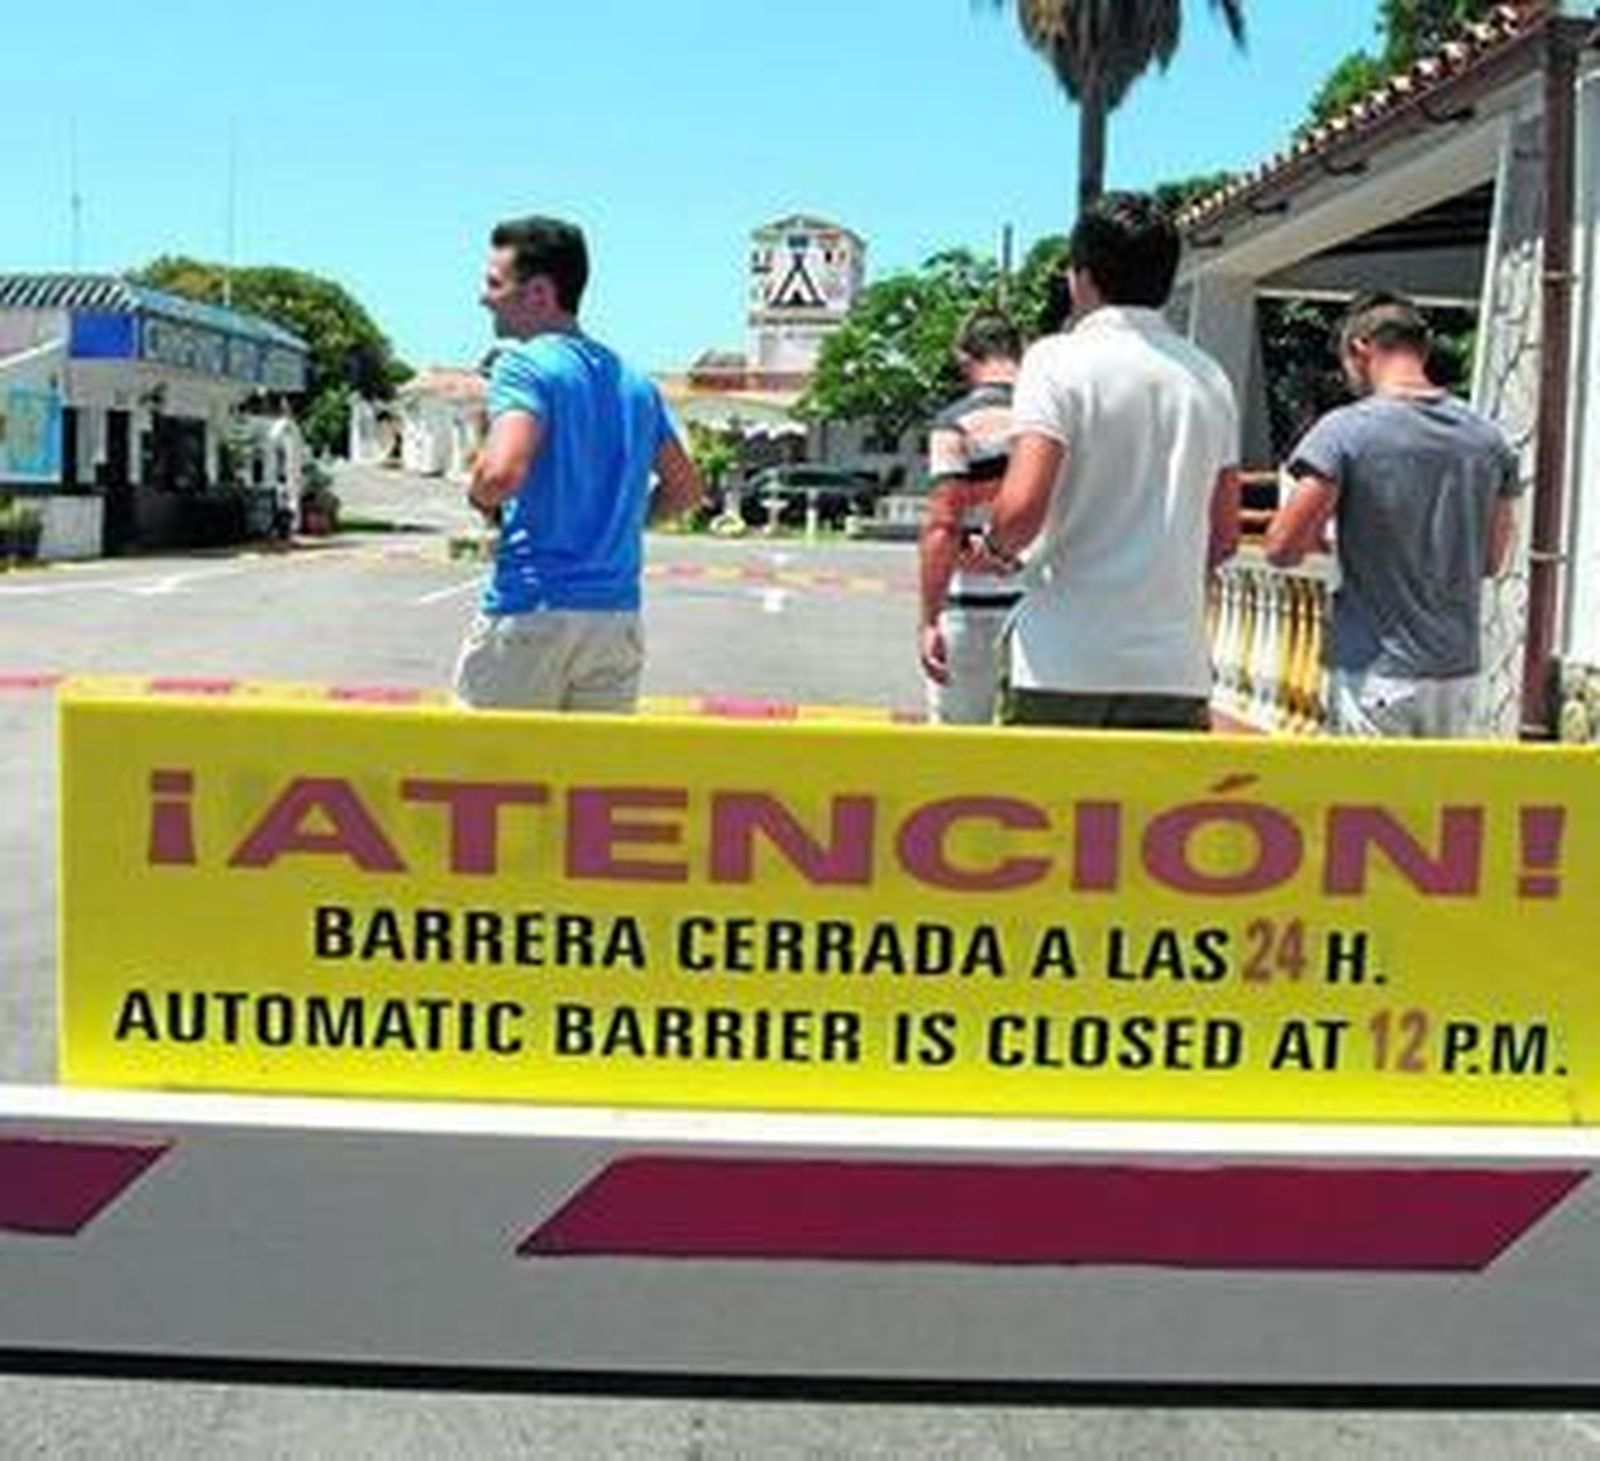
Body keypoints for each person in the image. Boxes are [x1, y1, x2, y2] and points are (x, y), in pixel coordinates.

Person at [976, 193, 1242, 731]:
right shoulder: (1208, 377)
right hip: (1174, 667)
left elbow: (1022, 508)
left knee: (1044, 814)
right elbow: (1224, 537)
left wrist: (996, 548)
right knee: (1159, 816)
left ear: (1082, 276)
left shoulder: (1055, 360)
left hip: (1062, 657)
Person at [454, 216, 703, 712]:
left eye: (494, 284)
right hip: (615, 620)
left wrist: (479, 495)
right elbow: (686, 490)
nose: (484, 297)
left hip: (533, 612)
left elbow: (501, 474)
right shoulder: (635, 382)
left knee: (488, 776)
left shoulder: (523, 365)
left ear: (540, 293)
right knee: (586, 783)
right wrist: (626, 521)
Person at [1265, 292, 1520, 739]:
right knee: (1439, 802)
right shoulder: (1488, 439)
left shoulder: (1345, 431)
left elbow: (1282, 548)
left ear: (1362, 349)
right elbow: (1493, 559)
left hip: (1373, 669)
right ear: (1421, 348)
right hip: (1456, 670)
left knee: (1369, 806)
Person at [918, 309, 1023, 725]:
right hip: (1047, 606)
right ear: (1021, 350)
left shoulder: (956, 423)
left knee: (958, 750)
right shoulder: (1054, 416)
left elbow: (943, 524)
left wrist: (928, 619)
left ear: (965, 358)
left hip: (972, 606)